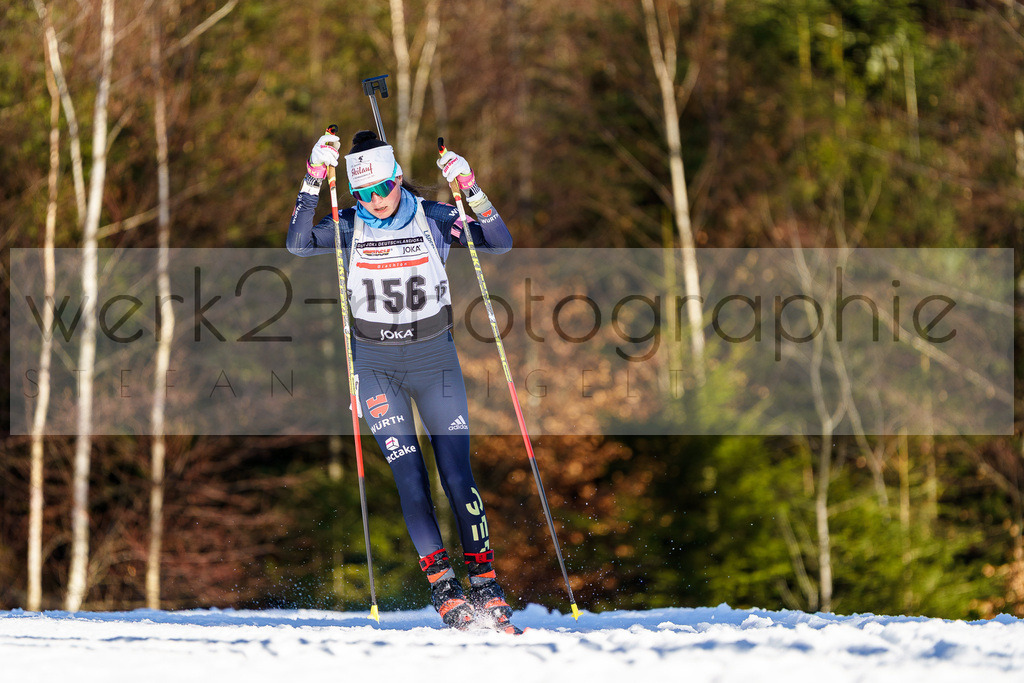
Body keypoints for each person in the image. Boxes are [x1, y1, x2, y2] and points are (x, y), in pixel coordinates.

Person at [286, 129, 515, 630]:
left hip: (434, 359)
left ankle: (485, 581)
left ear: (396, 179)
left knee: (456, 476)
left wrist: (470, 188)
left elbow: (498, 242)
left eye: (382, 189)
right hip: (375, 366)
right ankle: (444, 587)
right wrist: (311, 179)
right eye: (363, 193)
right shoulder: (349, 224)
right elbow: (299, 244)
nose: (375, 201)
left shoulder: (433, 217)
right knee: (409, 476)